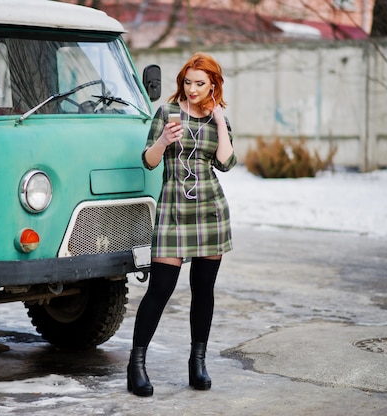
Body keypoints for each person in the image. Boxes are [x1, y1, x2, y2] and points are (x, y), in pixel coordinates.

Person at [127, 52, 237, 397]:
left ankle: (197, 362)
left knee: (204, 289)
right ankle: (136, 366)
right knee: (160, 289)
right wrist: (163, 141)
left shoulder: (217, 119)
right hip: (174, 209)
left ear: (213, 85)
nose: (192, 89)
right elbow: (148, 161)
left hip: (210, 211)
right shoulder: (167, 113)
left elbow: (227, 163)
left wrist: (220, 122)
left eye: (200, 83)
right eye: (188, 82)